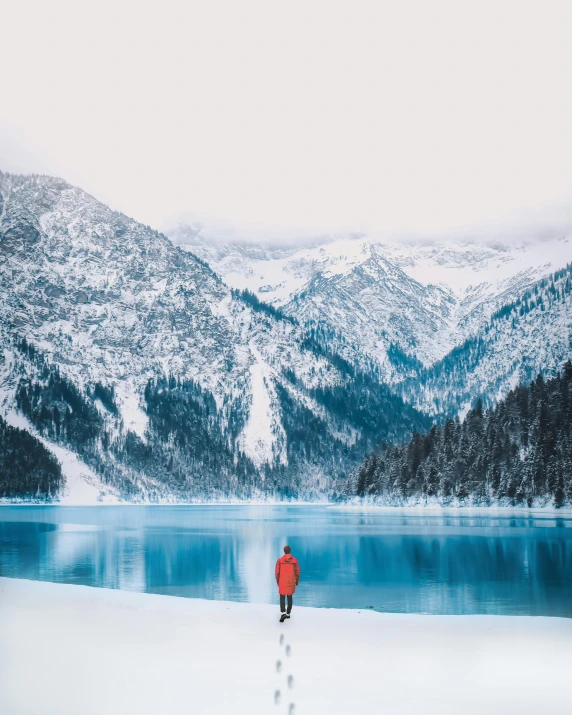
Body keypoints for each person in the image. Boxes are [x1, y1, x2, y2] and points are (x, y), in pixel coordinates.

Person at [275, 545, 300, 622]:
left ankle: (283, 613)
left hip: (282, 580)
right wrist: (297, 580)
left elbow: (277, 573)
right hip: (291, 581)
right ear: (290, 551)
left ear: (284, 551)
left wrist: (277, 581)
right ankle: (288, 614)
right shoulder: (294, 561)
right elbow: (297, 572)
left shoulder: (280, 560)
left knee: (282, 597)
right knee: (290, 597)